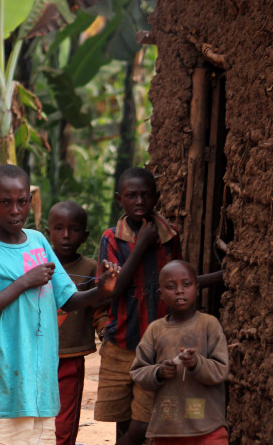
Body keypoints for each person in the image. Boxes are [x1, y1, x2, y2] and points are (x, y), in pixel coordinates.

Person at [0, 164, 118, 445]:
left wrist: (100, 289)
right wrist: (23, 282)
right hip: (0, 384)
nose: (15, 210)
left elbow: (68, 300)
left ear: (29, 202)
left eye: (22, 202)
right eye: (5, 202)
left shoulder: (37, 241)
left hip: (40, 387)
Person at [93, 167, 183, 445]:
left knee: (143, 423)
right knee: (122, 418)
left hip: (157, 346)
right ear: (120, 199)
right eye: (132, 196)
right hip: (121, 341)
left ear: (156, 198)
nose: (140, 201)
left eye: (146, 195)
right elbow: (114, 288)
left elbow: (179, 282)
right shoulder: (111, 238)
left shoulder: (169, 237)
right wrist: (142, 243)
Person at [129, 260, 229, 445]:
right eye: (170, 286)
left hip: (207, 428)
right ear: (161, 295)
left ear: (197, 289)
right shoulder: (155, 329)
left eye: (187, 284)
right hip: (167, 430)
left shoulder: (209, 324)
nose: (179, 291)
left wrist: (197, 364)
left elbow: (221, 370)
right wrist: (158, 372)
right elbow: (138, 371)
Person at [47, 201, 98, 445]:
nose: (65, 235)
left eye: (73, 229)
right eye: (58, 228)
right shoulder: (37, 265)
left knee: (64, 423)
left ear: (85, 235)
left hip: (71, 356)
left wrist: (107, 329)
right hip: (37, 356)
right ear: (48, 233)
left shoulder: (89, 268)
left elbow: (98, 307)